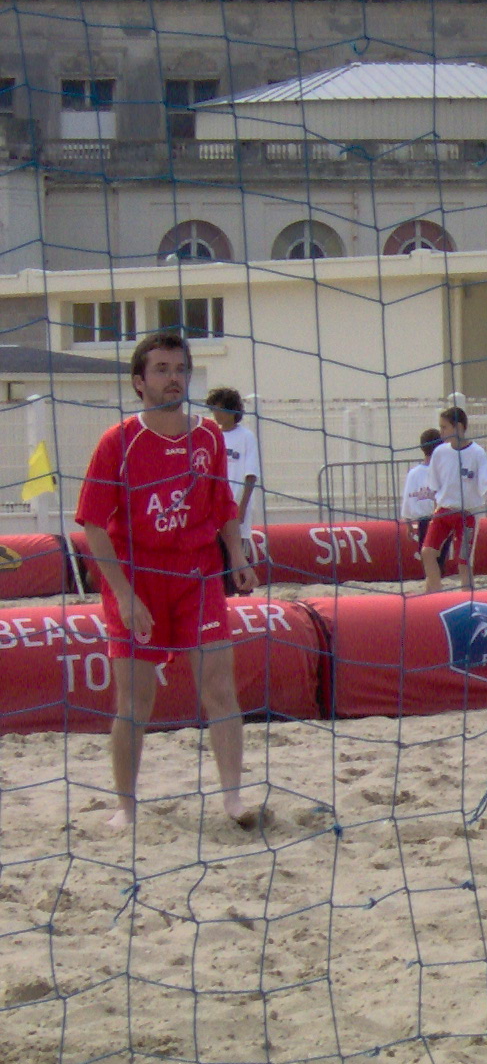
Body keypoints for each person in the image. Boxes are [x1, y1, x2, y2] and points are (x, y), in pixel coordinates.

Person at [76, 330, 259, 831]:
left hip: (197, 575)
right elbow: (93, 524)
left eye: (179, 369)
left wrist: (237, 555)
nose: (173, 378)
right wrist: (124, 594)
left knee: (220, 688)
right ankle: (126, 806)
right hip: (137, 578)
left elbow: (223, 506)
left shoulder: (208, 437)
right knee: (135, 702)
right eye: (161, 370)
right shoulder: (118, 441)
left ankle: (233, 799)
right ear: (139, 382)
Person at [419, 406, 487, 594]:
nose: (441, 432)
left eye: (444, 427)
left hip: (467, 514)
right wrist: (434, 508)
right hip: (444, 510)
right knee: (427, 553)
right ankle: (437, 596)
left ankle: (467, 600)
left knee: (464, 562)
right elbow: (435, 485)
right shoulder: (440, 452)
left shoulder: (477, 452)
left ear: (459, 427)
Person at [205, 387, 263, 596]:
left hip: (237, 507)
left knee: (239, 554)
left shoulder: (246, 437)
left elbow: (251, 475)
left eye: (219, 409)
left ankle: (244, 597)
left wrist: (241, 508)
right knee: (217, 555)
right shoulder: (211, 436)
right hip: (213, 508)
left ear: (232, 411)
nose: (216, 414)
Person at [401, 429, 451, 577]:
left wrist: (408, 523)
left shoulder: (414, 473)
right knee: (439, 556)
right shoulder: (444, 470)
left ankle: (433, 583)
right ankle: (438, 580)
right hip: (441, 518)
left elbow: (408, 499)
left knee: (428, 557)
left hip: (426, 520)